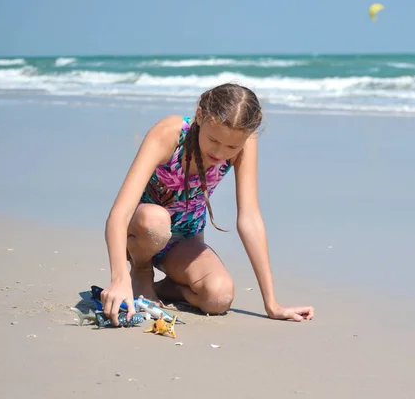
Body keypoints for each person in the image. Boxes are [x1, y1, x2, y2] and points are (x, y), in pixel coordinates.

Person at [100, 83, 314, 325]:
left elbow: (249, 217)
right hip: (142, 233)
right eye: (214, 140)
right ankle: (140, 272)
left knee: (218, 298)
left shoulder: (245, 140)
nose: (221, 152)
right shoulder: (168, 134)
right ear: (200, 116)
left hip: (184, 241)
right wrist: (119, 279)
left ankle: (169, 288)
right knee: (155, 221)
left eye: (232, 147)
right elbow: (120, 213)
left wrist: (272, 303)